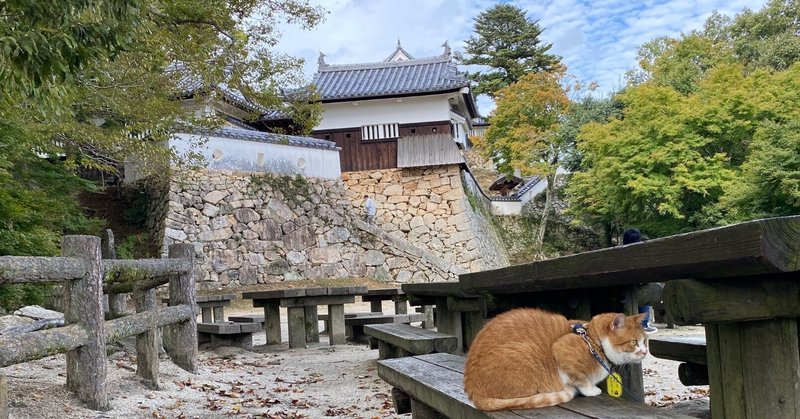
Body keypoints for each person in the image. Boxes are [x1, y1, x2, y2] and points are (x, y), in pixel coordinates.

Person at [622, 228, 659, 334]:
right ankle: (643, 324)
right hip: (631, 291)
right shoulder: (640, 253)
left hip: (617, 287)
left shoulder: (619, 252)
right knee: (644, 290)